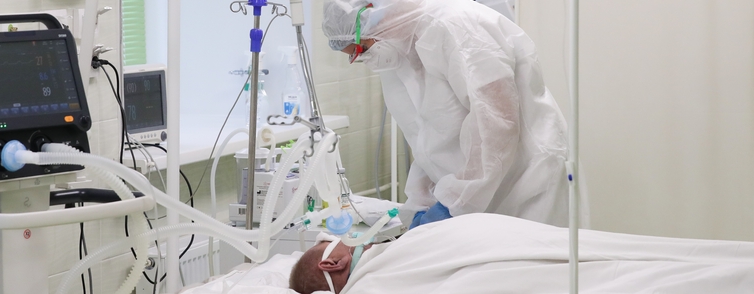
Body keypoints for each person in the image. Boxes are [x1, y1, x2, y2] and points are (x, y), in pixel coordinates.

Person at [322, 0, 581, 230]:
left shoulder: (456, 26)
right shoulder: (397, 56)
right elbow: (427, 141)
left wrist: (454, 203)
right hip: (472, 200)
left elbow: (497, 125)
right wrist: (421, 203)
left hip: (525, 188)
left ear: (373, 14)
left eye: (361, 49)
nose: (360, 59)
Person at [288, 214, 754, 294]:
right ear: (333, 263)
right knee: (633, 275)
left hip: (504, 241)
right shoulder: (378, 280)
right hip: (504, 269)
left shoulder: (403, 247)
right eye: (334, 242)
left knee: (623, 258)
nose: (348, 239)